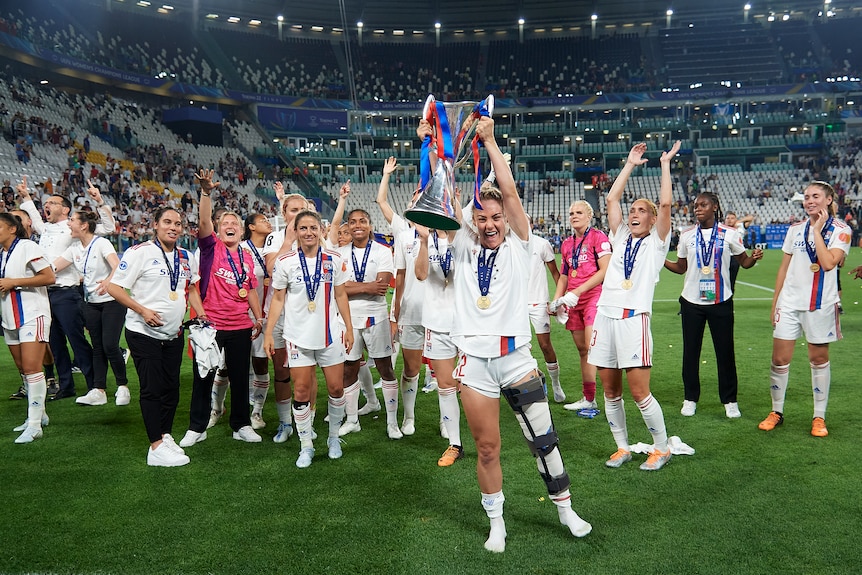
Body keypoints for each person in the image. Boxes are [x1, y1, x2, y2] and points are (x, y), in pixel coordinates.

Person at [449, 116, 590, 553]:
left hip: (516, 360)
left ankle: (565, 509)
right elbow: (442, 200)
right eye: (482, 218)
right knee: (487, 449)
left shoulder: (522, 244)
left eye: (496, 217)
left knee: (543, 443)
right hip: (474, 365)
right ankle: (497, 523)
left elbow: (508, 192)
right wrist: (435, 147)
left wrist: (490, 141)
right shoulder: (462, 244)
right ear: (472, 220)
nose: (490, 223)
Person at [589, 140, 680, 472]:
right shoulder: (621, 236)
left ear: (653, 219)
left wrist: (665, 163)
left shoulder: (657, 243)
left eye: (642, 211)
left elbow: (666, 203)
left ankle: (661, 448)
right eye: (633, 211)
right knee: (610, 390)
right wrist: (629, 163)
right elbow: (612, 198)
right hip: (605, 317)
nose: (634, 214)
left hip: (633, 320)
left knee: (640, 391)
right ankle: (622, 447)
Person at [108, 207, 203, 467]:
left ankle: (165, 434)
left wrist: (202, 314)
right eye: (167, 222)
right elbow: (114, 287)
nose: (173, 227)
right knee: (152, 388)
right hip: (143, 332)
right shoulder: (139, 252)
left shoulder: (185, 257)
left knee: (171, 388)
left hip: (173, 334)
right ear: (155, 225)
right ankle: (155, 447)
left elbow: (191, 287)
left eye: (178, 223)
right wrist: (142, 310)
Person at [179, 169, 264, 448]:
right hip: (210, 325)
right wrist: (205, 193)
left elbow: (249, 288)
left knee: (240, 378)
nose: (230, 225)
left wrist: (259, 317)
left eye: (235, 223)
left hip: (240, 325)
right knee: (203, 376)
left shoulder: (247, 256)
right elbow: (203, 219)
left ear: (241, 230)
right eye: (225, 222)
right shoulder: (211, 247)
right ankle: (197, 426)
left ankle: (241, 425)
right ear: (217, 228)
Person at [264, 210, 353, 467]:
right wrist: (270, 332)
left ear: (321, 230)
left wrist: (349, 327)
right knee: (301, 390)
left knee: (336, 389)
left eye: (313, 227)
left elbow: (341, 295)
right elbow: (278, 298)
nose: (309, 232)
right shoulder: (286, 261)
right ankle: (306, 446)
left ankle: (334, 438)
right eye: (303, 228)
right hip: (296, 336)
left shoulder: (334, 259)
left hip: (330, 336)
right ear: (296, 232)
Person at [761, 182, 851, 437]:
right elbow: (784, 268)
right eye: (807, 197)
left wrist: (818, 231)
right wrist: (775, 301)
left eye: (816, 196)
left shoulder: (842, 230)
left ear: (829, 199)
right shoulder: (794, 230)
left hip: (820, 305)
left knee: (818, 359)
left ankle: (818, 417)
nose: (810, 201)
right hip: (789, 303)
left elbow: (828, 263)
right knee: (779, 360)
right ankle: (776, 411)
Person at [664, 192, 763, 418]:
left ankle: (730, 400)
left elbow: (744, 262)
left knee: (725, 352)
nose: (697, 208)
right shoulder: (687, 234)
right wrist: (660, 260)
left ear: (714, 206)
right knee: (691, 352)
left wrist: (754, 257)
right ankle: (690, 398)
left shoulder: (730, 234)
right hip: (691, 302)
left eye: (703, 204)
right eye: (695, 205)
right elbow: (681, 267)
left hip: (721, 301)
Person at [18, 177, 115, 400]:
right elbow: (33, 215)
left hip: (66, 292)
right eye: (46, 203)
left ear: (65, 209)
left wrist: (99, 201)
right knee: (54, 342)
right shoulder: (46, 229)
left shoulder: (73, 229)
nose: (47, 205)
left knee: (76, 339)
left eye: (52, 202)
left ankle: (95, 385)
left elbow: (109, 228)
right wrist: (26, 196)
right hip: (44, 293)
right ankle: (66, 386)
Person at [53, 210, 129, 407]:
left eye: (72, 220)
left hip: (112, 301)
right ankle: (99, 390)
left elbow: (117, 265)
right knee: (97, 348)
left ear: (84, 225)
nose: (68, 224)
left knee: (110, 345)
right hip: (91, 304)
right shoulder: (75, 248)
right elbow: (53, 267)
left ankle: (123, 386)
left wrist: (109, 281)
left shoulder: (101, 243)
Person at [337, 208, 396, 438]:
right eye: (352, 222)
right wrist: (365, 287)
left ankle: (392, 422)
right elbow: (337, 289)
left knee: (385, 368)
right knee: (349, 368)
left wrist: (351, 287)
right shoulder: (339, 253)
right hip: (347, 319)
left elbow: (381, 286)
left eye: (362, 221)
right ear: (349, 227)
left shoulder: (382, 251)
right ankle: (352, 420)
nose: (357, 225)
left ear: (369, 225)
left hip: (376, 317)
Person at [550, 200, 612, 412]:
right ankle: (589, 398)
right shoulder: (567, 244)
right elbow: (564, 276)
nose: (574, 216)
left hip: (593, 297)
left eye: (578, 212)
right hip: (572, 301)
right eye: (571, 213)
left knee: (593, 347)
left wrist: (577, 292)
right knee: (583, 350)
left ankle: (612, 398)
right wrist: (557, 300)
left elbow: (605, 270)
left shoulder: (598, 237)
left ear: (589, 216)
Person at [0, 212, 55, 443]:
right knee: (23, 368)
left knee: (32, 368)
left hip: (33, 314)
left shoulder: (27, 247)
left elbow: (49, 277)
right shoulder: (1, 254)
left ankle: (33, 425)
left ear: (12, 228)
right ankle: (39, 414)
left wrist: (15, 282)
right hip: (8, 317)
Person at [414, 223, 465, 467]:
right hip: (436, 322)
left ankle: (481, 436)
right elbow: (421, 274)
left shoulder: (465, 237)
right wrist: (424, 241)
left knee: (472, 386)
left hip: (467, 323)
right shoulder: (423, 238)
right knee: (445, 384)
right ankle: (455, 443)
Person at [242, 213, 274, 430]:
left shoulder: (272, 248)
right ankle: (217, 408)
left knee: (261, 362)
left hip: (262, 315)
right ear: (251, 226)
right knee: (227, 365)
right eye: (263, 220)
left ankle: (257, 412)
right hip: (238, 314)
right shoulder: (240, 247)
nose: (268, 223)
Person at [527, 225, 564, 402]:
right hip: (515, 305)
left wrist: (560, 300)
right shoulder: (507, 243)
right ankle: (531, 385)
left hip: (538, 302)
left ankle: (556, 384)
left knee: (545, 345)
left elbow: (556, 273)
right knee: (520, 348)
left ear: (530, 225)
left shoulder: (541, 244)